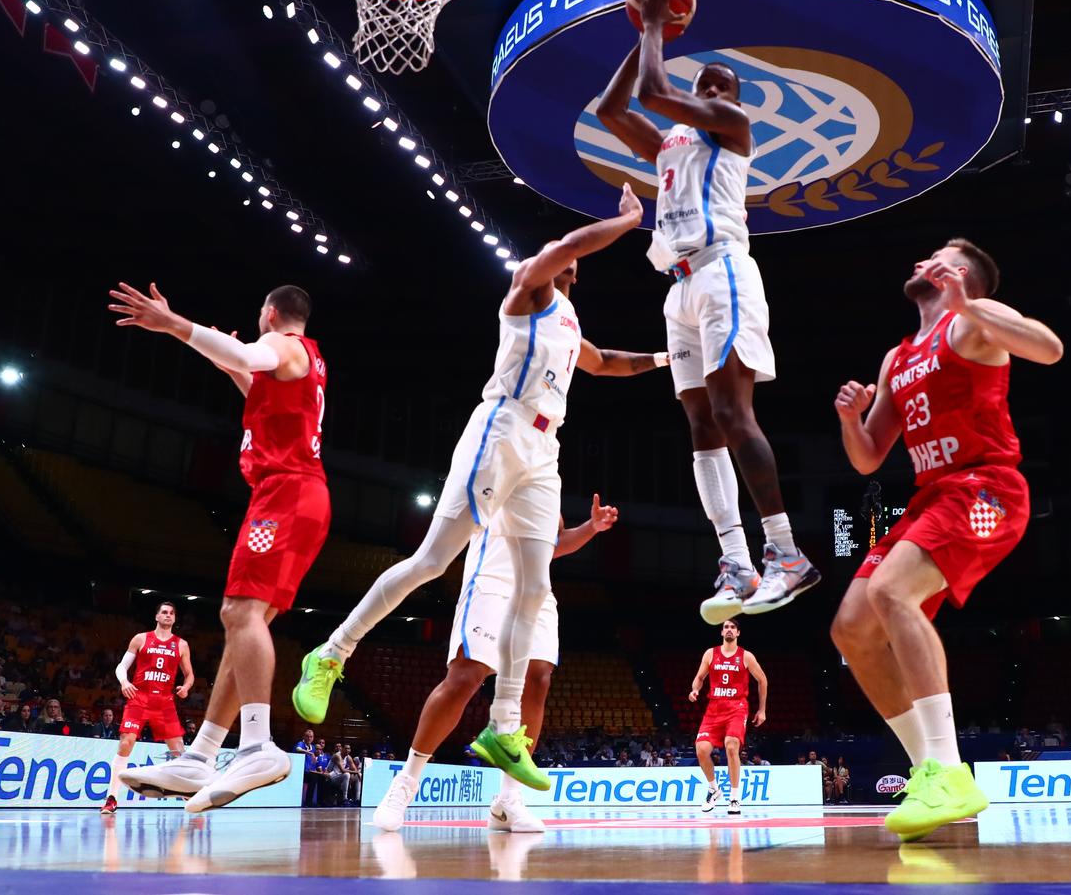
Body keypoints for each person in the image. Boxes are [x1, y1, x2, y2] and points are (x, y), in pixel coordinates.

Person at [293, 187, 665, 795]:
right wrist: (626, 221)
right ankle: (332, 653)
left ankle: (503, 726)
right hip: (502, 427)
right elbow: (570, 243)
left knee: (537, 582)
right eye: (558, 249)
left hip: (546, 449)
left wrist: (668, 356)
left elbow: (607, 364)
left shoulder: (571, 325)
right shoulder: (528, 288)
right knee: (432, 560)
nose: (564, 255)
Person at [596, 0, 818, 624]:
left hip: (723, 273)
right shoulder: (670, 143)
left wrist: (657, 26)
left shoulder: (732, 125)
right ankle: (738, 562)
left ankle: (788, 556)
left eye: (721, 85)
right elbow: (617, 109)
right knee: (700, 426)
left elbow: (653, 93)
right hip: (680, 287)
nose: (712, 90)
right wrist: (642, 29)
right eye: (707, 84)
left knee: (731, 409)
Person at [830, 240, 1063, 840]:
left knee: (890, 593)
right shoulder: (897, 356)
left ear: (958, 276)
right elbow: (868, 460)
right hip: (932, 495)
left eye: (934, 256)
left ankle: (951, 770)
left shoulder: (973, 324)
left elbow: (1049, 347)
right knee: (851, 627)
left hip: (988, 490)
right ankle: (929, 769)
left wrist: (972, 303)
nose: (917, 261)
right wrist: (851, 421)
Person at [108, 283, 331, 812]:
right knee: (242, 623)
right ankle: (204, 752)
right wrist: (223, 360)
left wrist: (175, 324)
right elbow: (250, 376)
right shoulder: (298, 366)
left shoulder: (286, 344)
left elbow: (251, 355)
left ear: (271, 313)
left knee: (238, 612)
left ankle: (257, 744)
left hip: (287, 493)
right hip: (296, 495)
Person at [369, 496, 620, 832]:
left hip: (535, 589)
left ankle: (507, 801)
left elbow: (551, 546)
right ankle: (406, 783)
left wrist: (591, 527)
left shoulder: (547, 477)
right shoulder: (496, 455)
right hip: (491, 579)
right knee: (465, 678)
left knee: (538, 677)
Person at [103, 601, 196, 815]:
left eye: (172, 613)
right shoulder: (141, 638)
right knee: (126, 742)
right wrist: (125, 682)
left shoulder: (181, 644)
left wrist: (187, 687)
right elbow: (122, 666)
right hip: (140, 698)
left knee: (178, 750)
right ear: (156, 616)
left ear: (175, 618)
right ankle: (112, 798)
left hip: (164, 701)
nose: (168, 615)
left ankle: (188, 794)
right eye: (164, 612)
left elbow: (189, 674)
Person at [689, 618, 768, 816]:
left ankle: (734, 797)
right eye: (726, 627)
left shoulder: (746, 656)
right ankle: (714, 789)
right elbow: (699, 678)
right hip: (714, 708)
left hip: (737, 707)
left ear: (738, 633)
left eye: (733, 627)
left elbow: (762, 680)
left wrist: (762, 710)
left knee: (731, 745)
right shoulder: (711, 653)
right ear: (721, 633)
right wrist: (695, 690)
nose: (729, 630)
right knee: (701, 750)